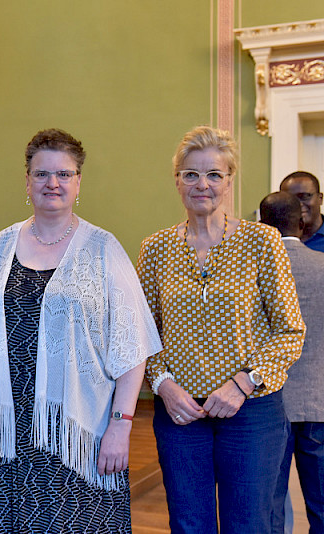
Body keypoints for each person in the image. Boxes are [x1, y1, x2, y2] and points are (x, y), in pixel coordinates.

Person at [0, 128, 162, 533]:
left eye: (64, 173)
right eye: (42, 174)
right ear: (27, 180)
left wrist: (121, 424)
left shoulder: (103, 248)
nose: (53, 183)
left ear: (79, 181)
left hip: (82, 428)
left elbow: (133, 346)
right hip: (10, 428)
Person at [137, 125, 305, 533]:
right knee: (189, 524)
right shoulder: (155, 248)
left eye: (215, 174)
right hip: (180, 415)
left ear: (230, 181)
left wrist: (243, 383)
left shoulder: (262, 242)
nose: (202, 184)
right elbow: (142, 332)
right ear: (177, 180)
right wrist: (163, 385)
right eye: (191, 174)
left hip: (251, 412)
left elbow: (290, 332)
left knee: (248, 523)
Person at [261, 192, 324, 534]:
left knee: (269, 506)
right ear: (301, 224)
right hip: (320, 403)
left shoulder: (248, 273)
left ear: (260, 225)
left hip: (268, 402)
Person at [280, 171, 324, 252]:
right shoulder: (273, 239)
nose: (298, 204)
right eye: (290, 199)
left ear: (320, 198)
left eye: (304, 196)